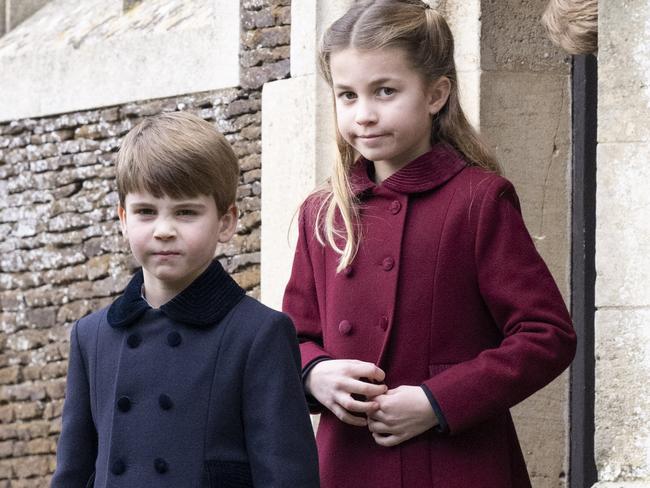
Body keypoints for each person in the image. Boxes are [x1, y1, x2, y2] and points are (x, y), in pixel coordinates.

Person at [282, 1, 577, 487]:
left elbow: (546, 335)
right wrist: (315, 374)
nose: (365, 115)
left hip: (457, 463)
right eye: (348, 96)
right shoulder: (325, 214)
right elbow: (289, 338)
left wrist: (437, 401)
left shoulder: (479, 200)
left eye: (385, 91)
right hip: (348, 464)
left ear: (436, 93)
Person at [51, 112, 319, 488]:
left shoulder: (260, 334)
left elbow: (287, 478)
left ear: (226, 222)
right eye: (146, 212)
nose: (164, 230)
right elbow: (72, 473)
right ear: (123, 219)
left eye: (186, 212)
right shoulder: (91, 336)